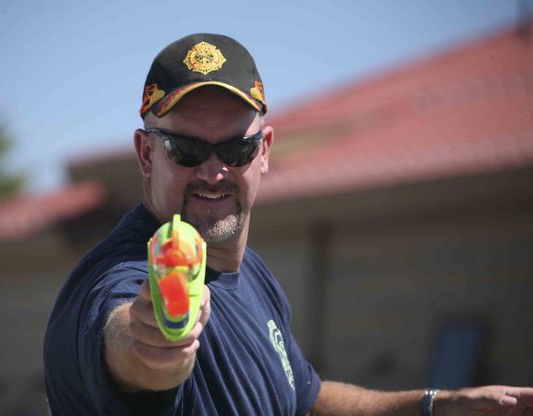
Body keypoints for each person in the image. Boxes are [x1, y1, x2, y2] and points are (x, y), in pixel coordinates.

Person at [43, 33, 533, 415]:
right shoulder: (120, 277)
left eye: (237, 149)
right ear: (146, 154)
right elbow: (124, 338)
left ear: (265, 152)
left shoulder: (254, 277)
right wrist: (154, 342)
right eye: (186, 150)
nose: (214, 171)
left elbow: (305, 401)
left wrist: (436, 406)